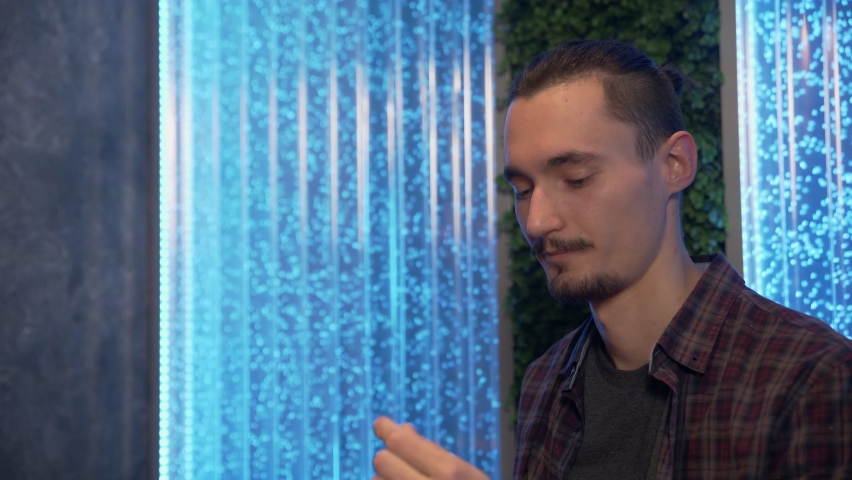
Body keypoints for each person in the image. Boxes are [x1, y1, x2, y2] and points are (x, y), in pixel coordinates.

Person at [371, 39, 852, 479]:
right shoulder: (547, 382)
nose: (537, 221)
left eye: (577, 179)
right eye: (522, 190)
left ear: (674, 165)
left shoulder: (810, 378)